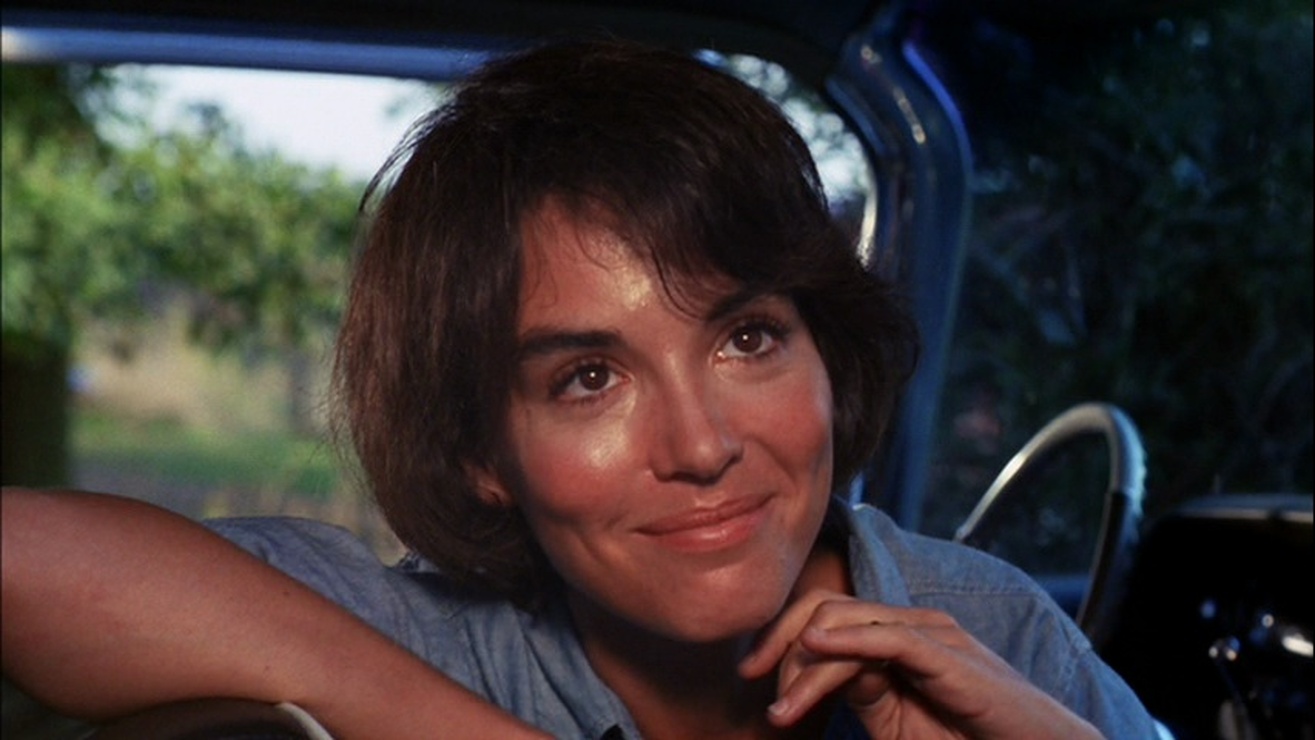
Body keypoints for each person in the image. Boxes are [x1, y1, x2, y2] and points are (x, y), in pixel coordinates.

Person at [1, 40, 1159, 739]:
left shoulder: (988, 624)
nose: (700, 444)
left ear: (825, 345)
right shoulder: (446, 640)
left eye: (747, 336)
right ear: (481, 452)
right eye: (588, 377)